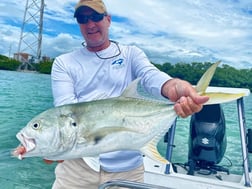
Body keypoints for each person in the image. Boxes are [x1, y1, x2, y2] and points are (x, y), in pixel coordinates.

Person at [50, 0, 209, 188]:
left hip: (128, 170)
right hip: (77, 169)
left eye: (96, 17)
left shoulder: (131, 54)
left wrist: (172, 86)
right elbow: (66, 113)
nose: (90, 24)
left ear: (108, 20)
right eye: (83, 19)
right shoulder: (64, 63)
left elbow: (150, 76)